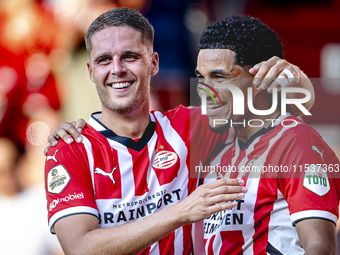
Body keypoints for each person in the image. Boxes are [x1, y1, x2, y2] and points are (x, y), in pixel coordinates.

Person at [46, 9, 317, 255]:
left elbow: (291, 112)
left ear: (153, 63)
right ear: (91, 71)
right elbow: (80, 248)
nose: (117, 69)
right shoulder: (69, 148)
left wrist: (294, 77)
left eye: (130, 56)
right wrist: (181, 212)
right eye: (104, 60)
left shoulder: (189, 126)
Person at [196, 16, 340, 254]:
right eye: (201, 77)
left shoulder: (298, 143)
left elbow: (321, 248)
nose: (204, 91)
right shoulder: (218, 145)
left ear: (260, 78)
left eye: (219, 77)